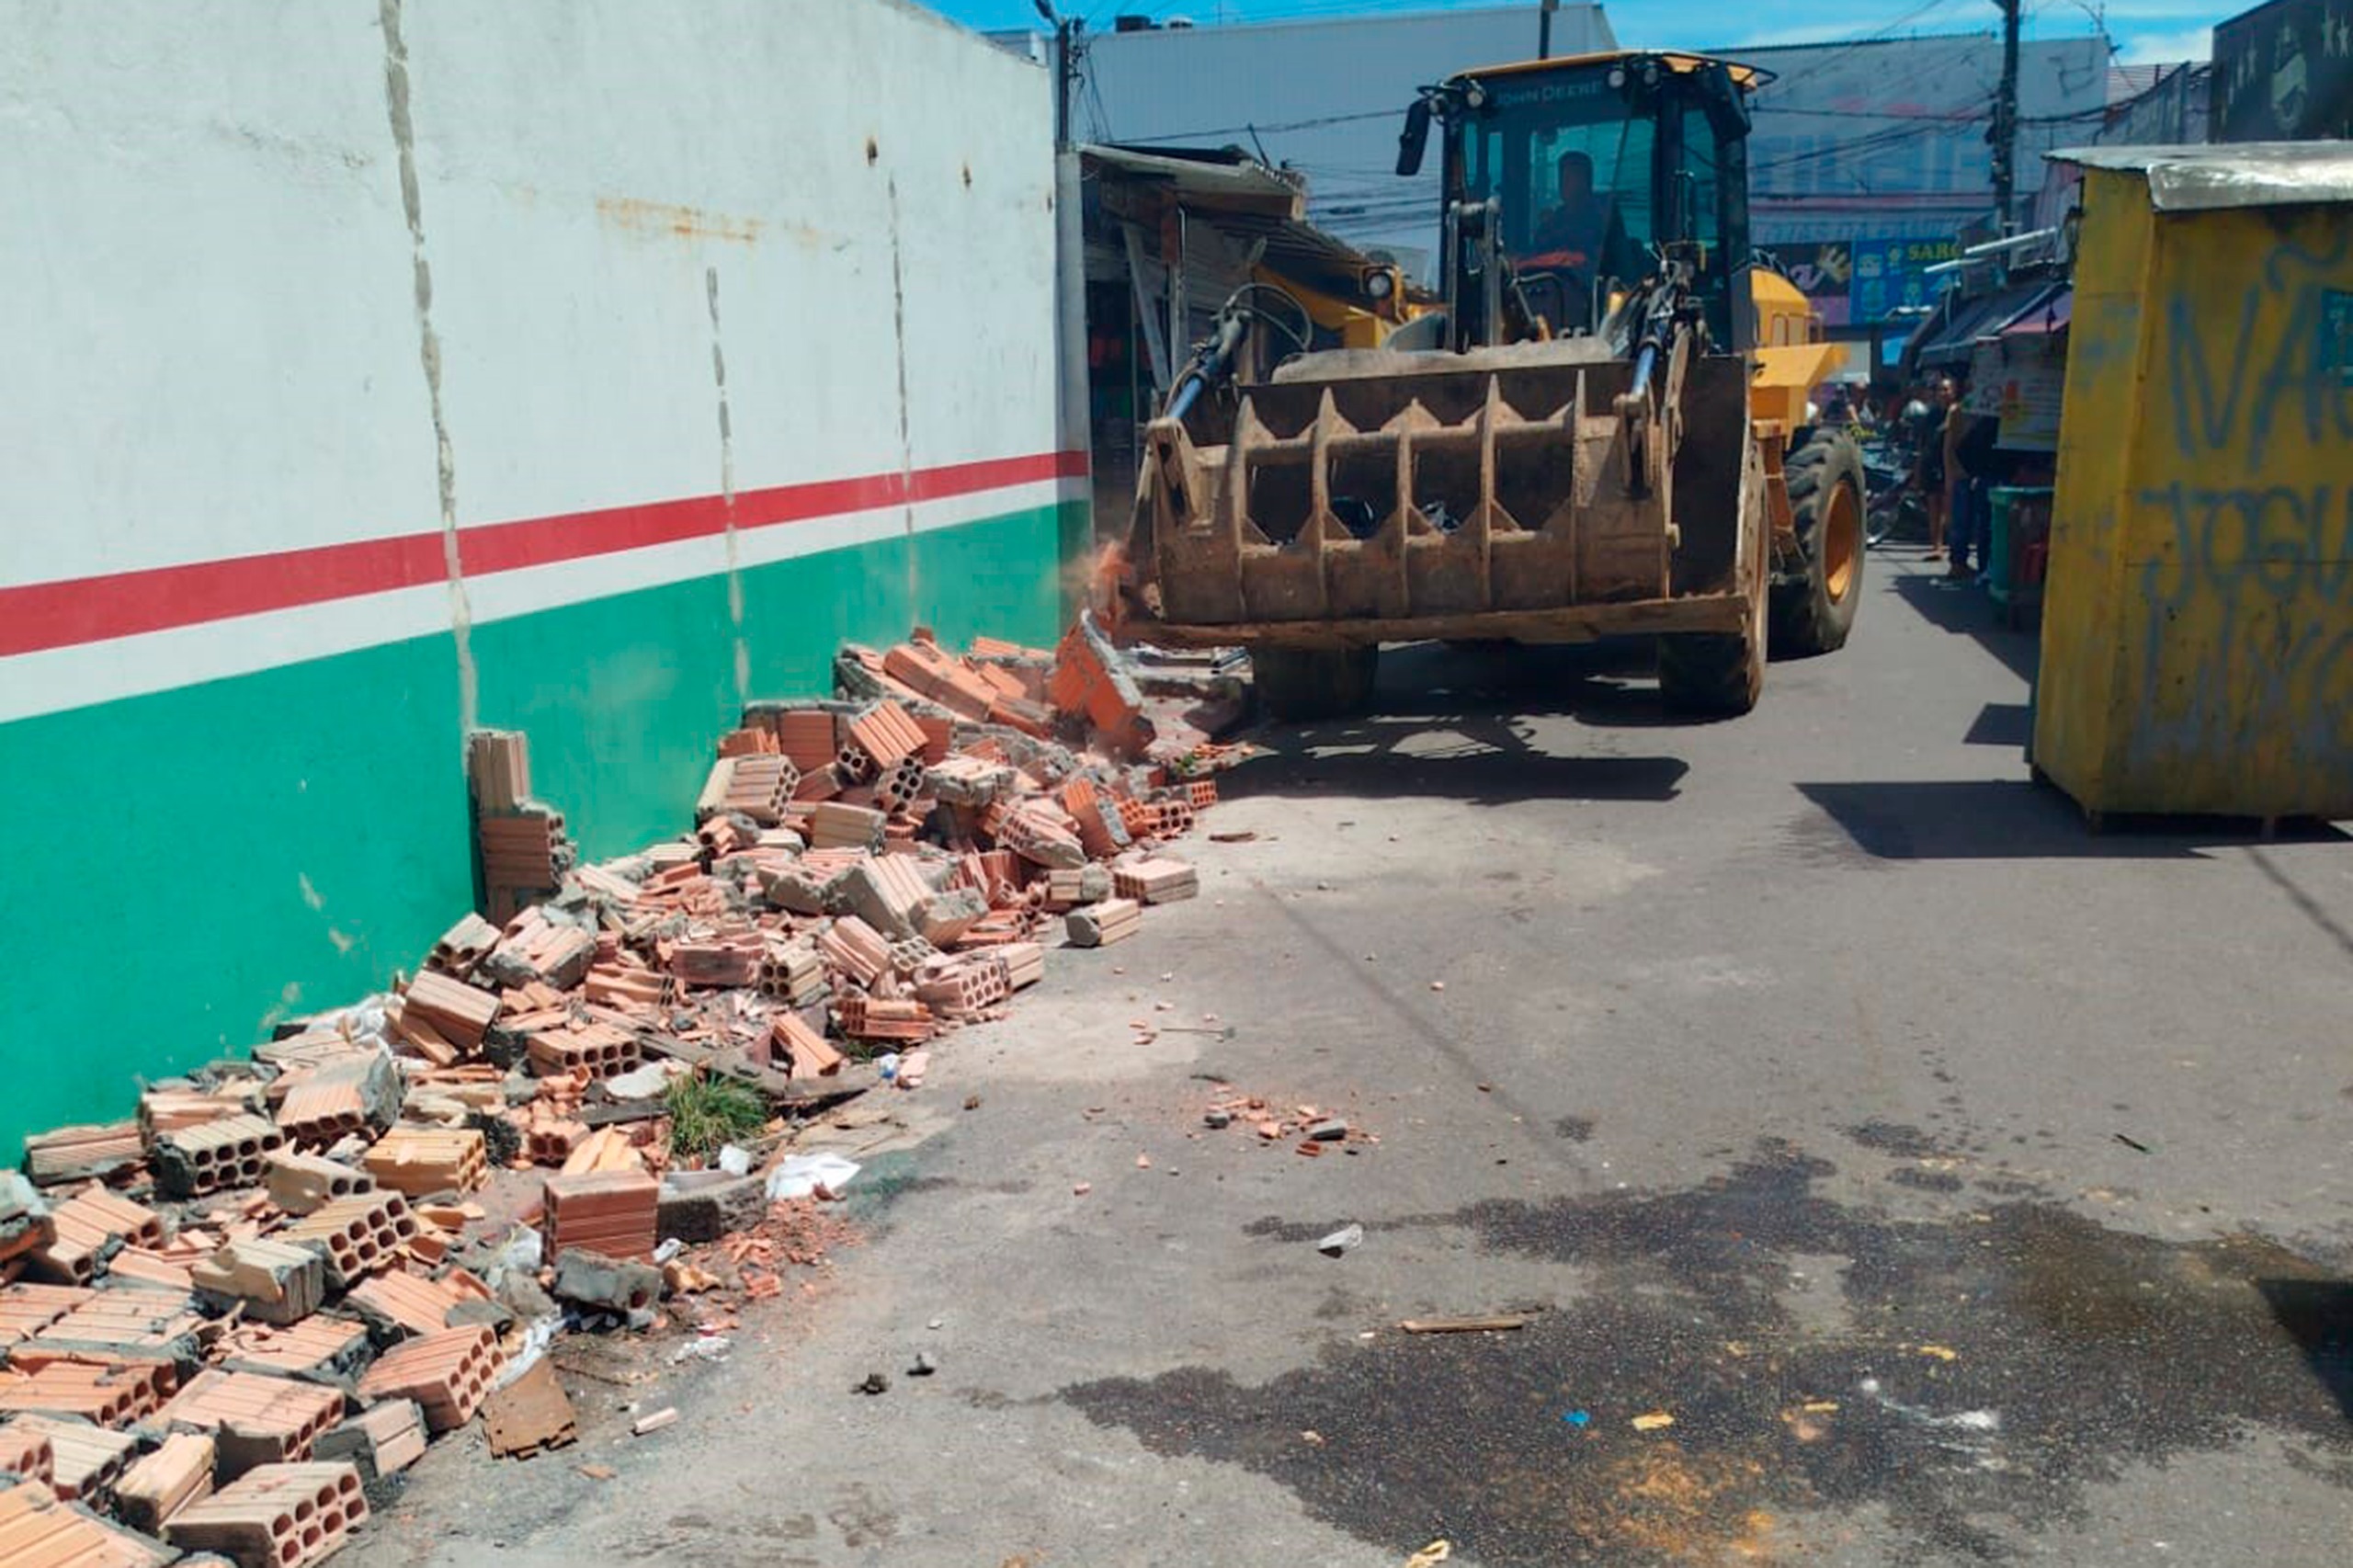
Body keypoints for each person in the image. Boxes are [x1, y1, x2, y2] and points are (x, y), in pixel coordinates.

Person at [1529, 152, 1621, 278]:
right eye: (1565, 179)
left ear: (1588, 183)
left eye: (1576, 177)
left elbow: (1606, 263)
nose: (1571, 184)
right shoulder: (1550, 226)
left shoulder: (1604, 223)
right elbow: (1535, 260)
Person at [1911, 380, 1949, 561]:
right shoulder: (1930, 415)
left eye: (1946, 389)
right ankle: (1936, 546)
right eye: (1940, 389)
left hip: (1950, 464)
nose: (1943, 393)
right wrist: (1918, 470)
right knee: (1934, 506)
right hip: (1931, 462)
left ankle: (1948, 544)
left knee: (1948, 507)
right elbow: (1922, 444)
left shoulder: (1957, 412)